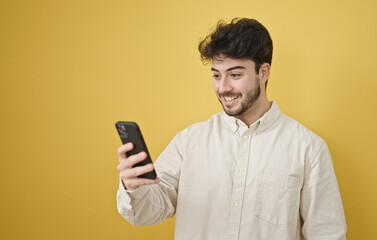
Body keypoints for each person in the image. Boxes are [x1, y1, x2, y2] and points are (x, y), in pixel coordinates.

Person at [116, 18, 347, 240]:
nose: (223, 87)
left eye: (235, 75)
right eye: (217, 75)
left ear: (263, 73)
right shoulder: (189, 141)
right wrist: (132, 186)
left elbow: (327, 233)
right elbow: (146, 212)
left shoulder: (308, 148)